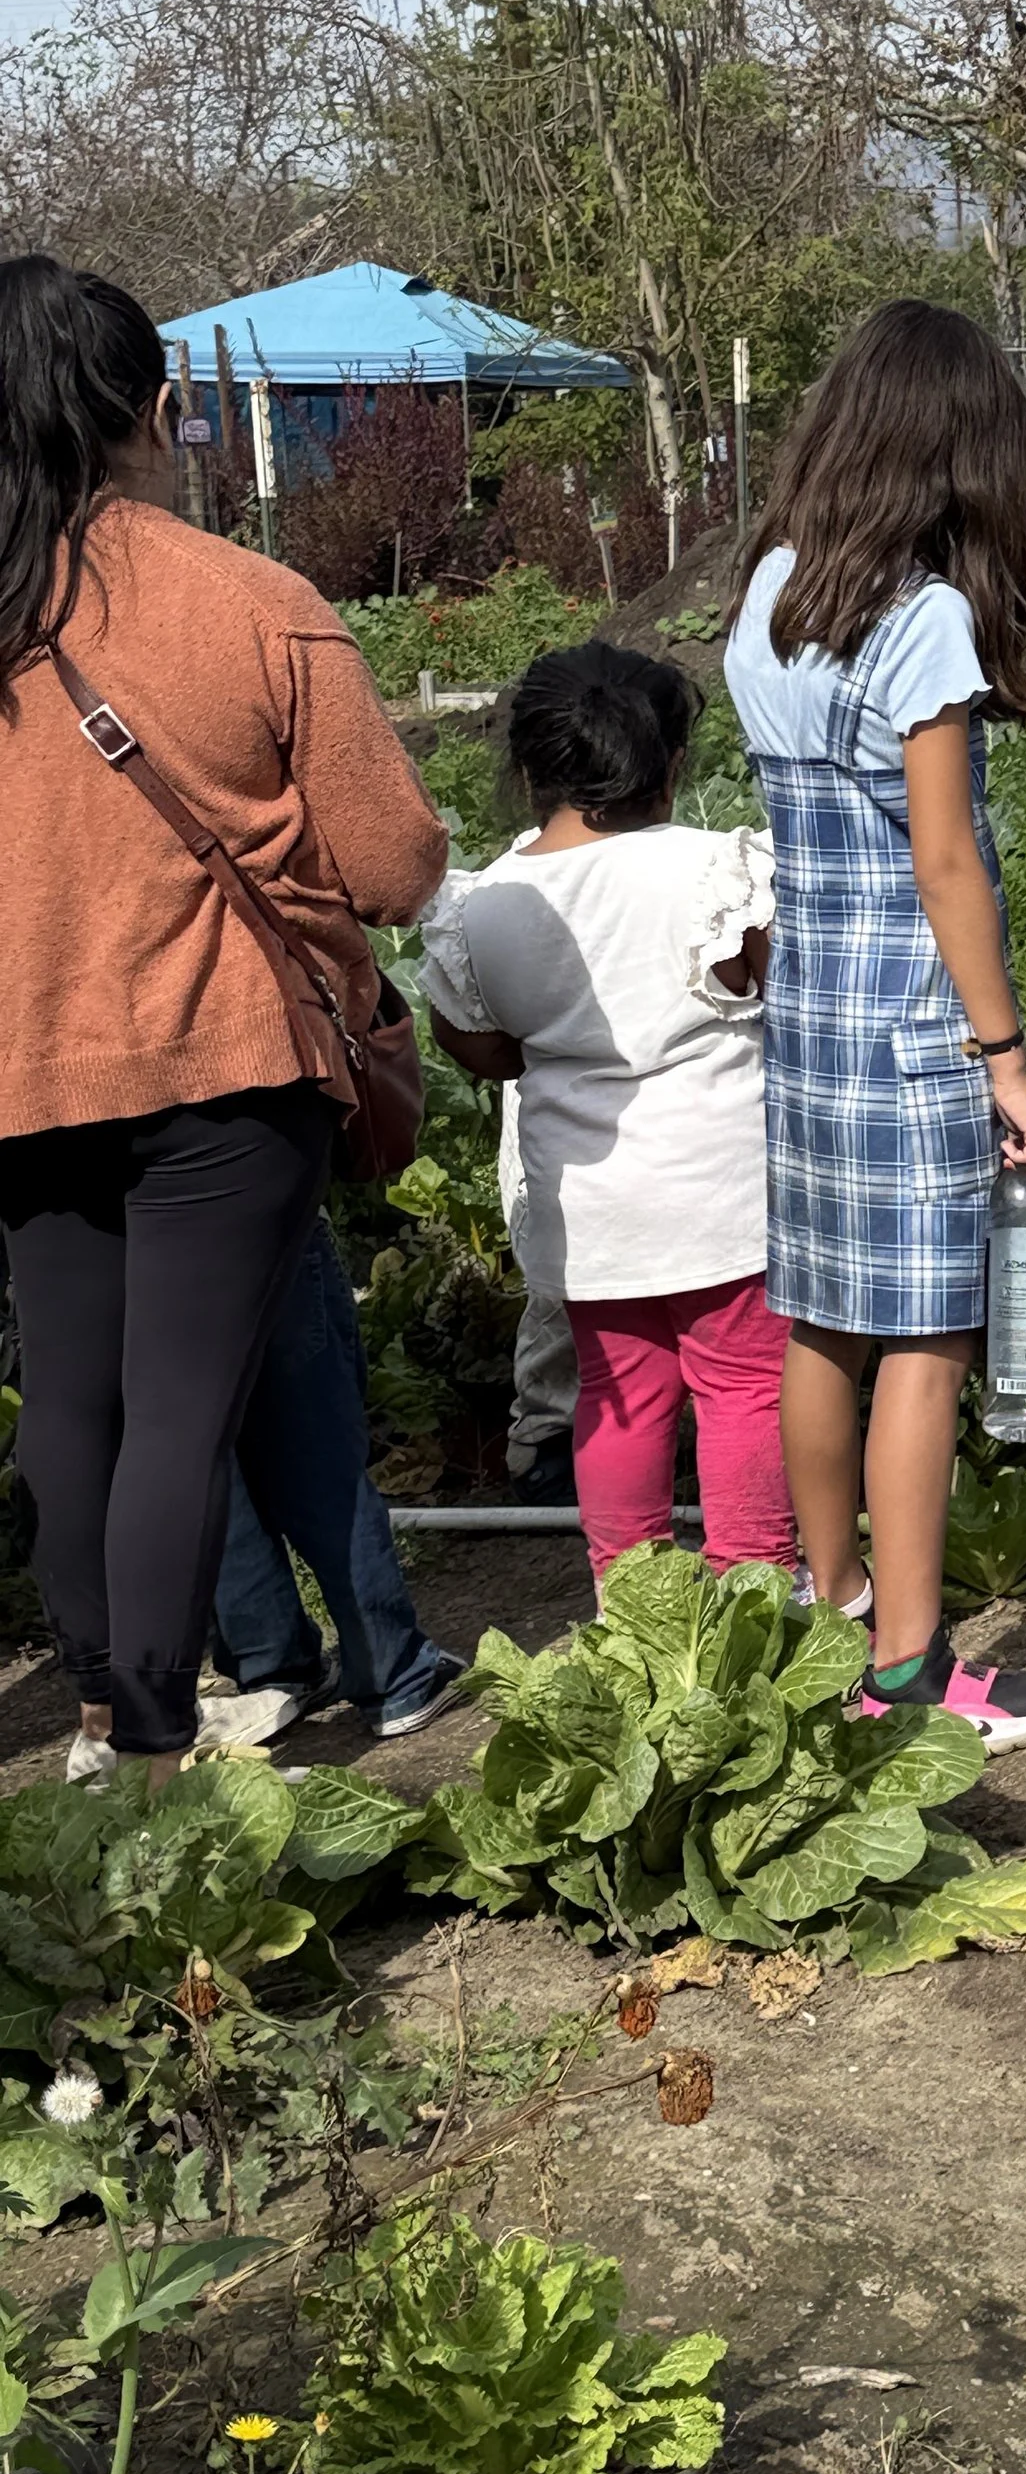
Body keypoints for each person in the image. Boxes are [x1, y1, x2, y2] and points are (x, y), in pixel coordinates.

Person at [0, 255, 447, 1785]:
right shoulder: (250, 601)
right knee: (182, 1413)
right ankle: (149, 1744)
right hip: (222, 1059)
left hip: (23, 1072)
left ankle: (93, 1715)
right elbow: (396, 868)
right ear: (153, 413)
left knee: (71, 1404)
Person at [723, 298, 1026, 1748]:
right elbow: (945, 863)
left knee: (822, 1325)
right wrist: (1009, 1063)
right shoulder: (923, 615)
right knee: (930, 1346)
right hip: (913, 1032)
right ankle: (912, 1671)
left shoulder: (772, 588)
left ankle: (833, 1613)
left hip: (813, 1025)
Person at [418, 642, 798, 1588]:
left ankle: (630, 1599)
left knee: (618, 1392)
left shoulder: (485, 905)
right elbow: (784, 995)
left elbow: (476, 1046)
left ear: (528, 769)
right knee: (744, 1388)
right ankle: (756, 1585)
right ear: (672, 763)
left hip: (588, 1209)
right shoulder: (718, 869)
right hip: (723, 1194)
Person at [205, 1220, 467, 1744]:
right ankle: (394, 1674)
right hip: (256, 1217)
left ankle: (272, 1668)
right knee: (317, 1453)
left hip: (138, 1248)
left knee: (212, 1466)